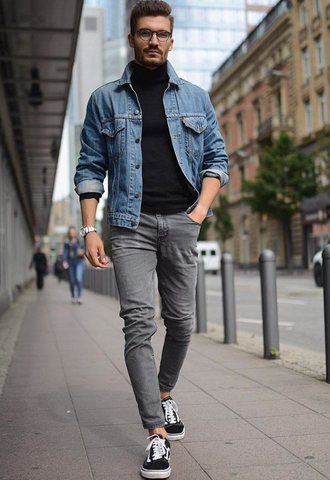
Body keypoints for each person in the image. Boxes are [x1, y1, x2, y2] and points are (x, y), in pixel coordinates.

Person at [74, 1, 228, 478]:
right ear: (133, 39)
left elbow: (217, 159)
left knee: (182, 323)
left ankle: (165, 393)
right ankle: (156, 433)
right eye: (145, 33)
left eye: (161, 33)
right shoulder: (105, 99)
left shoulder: (196, 97)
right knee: (138, 323)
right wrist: (88, 227)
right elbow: (89, 167)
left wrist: (199, 210)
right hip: (129, 223)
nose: (153, 41)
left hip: (182, 221)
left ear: (172, 39)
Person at [62, 227, 85, 304]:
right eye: (71, 233)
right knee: (72, 280)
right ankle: (72, 296)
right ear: (69, 234)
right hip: (70, 262)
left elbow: (85, 249)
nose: (72, 234)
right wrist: (64, 261)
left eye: (73, 232)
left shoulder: (79, 241)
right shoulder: (67, 242)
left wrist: (82, 252)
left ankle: (79, 297)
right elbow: (65, 252)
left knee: (79, 279)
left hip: (79, 261)